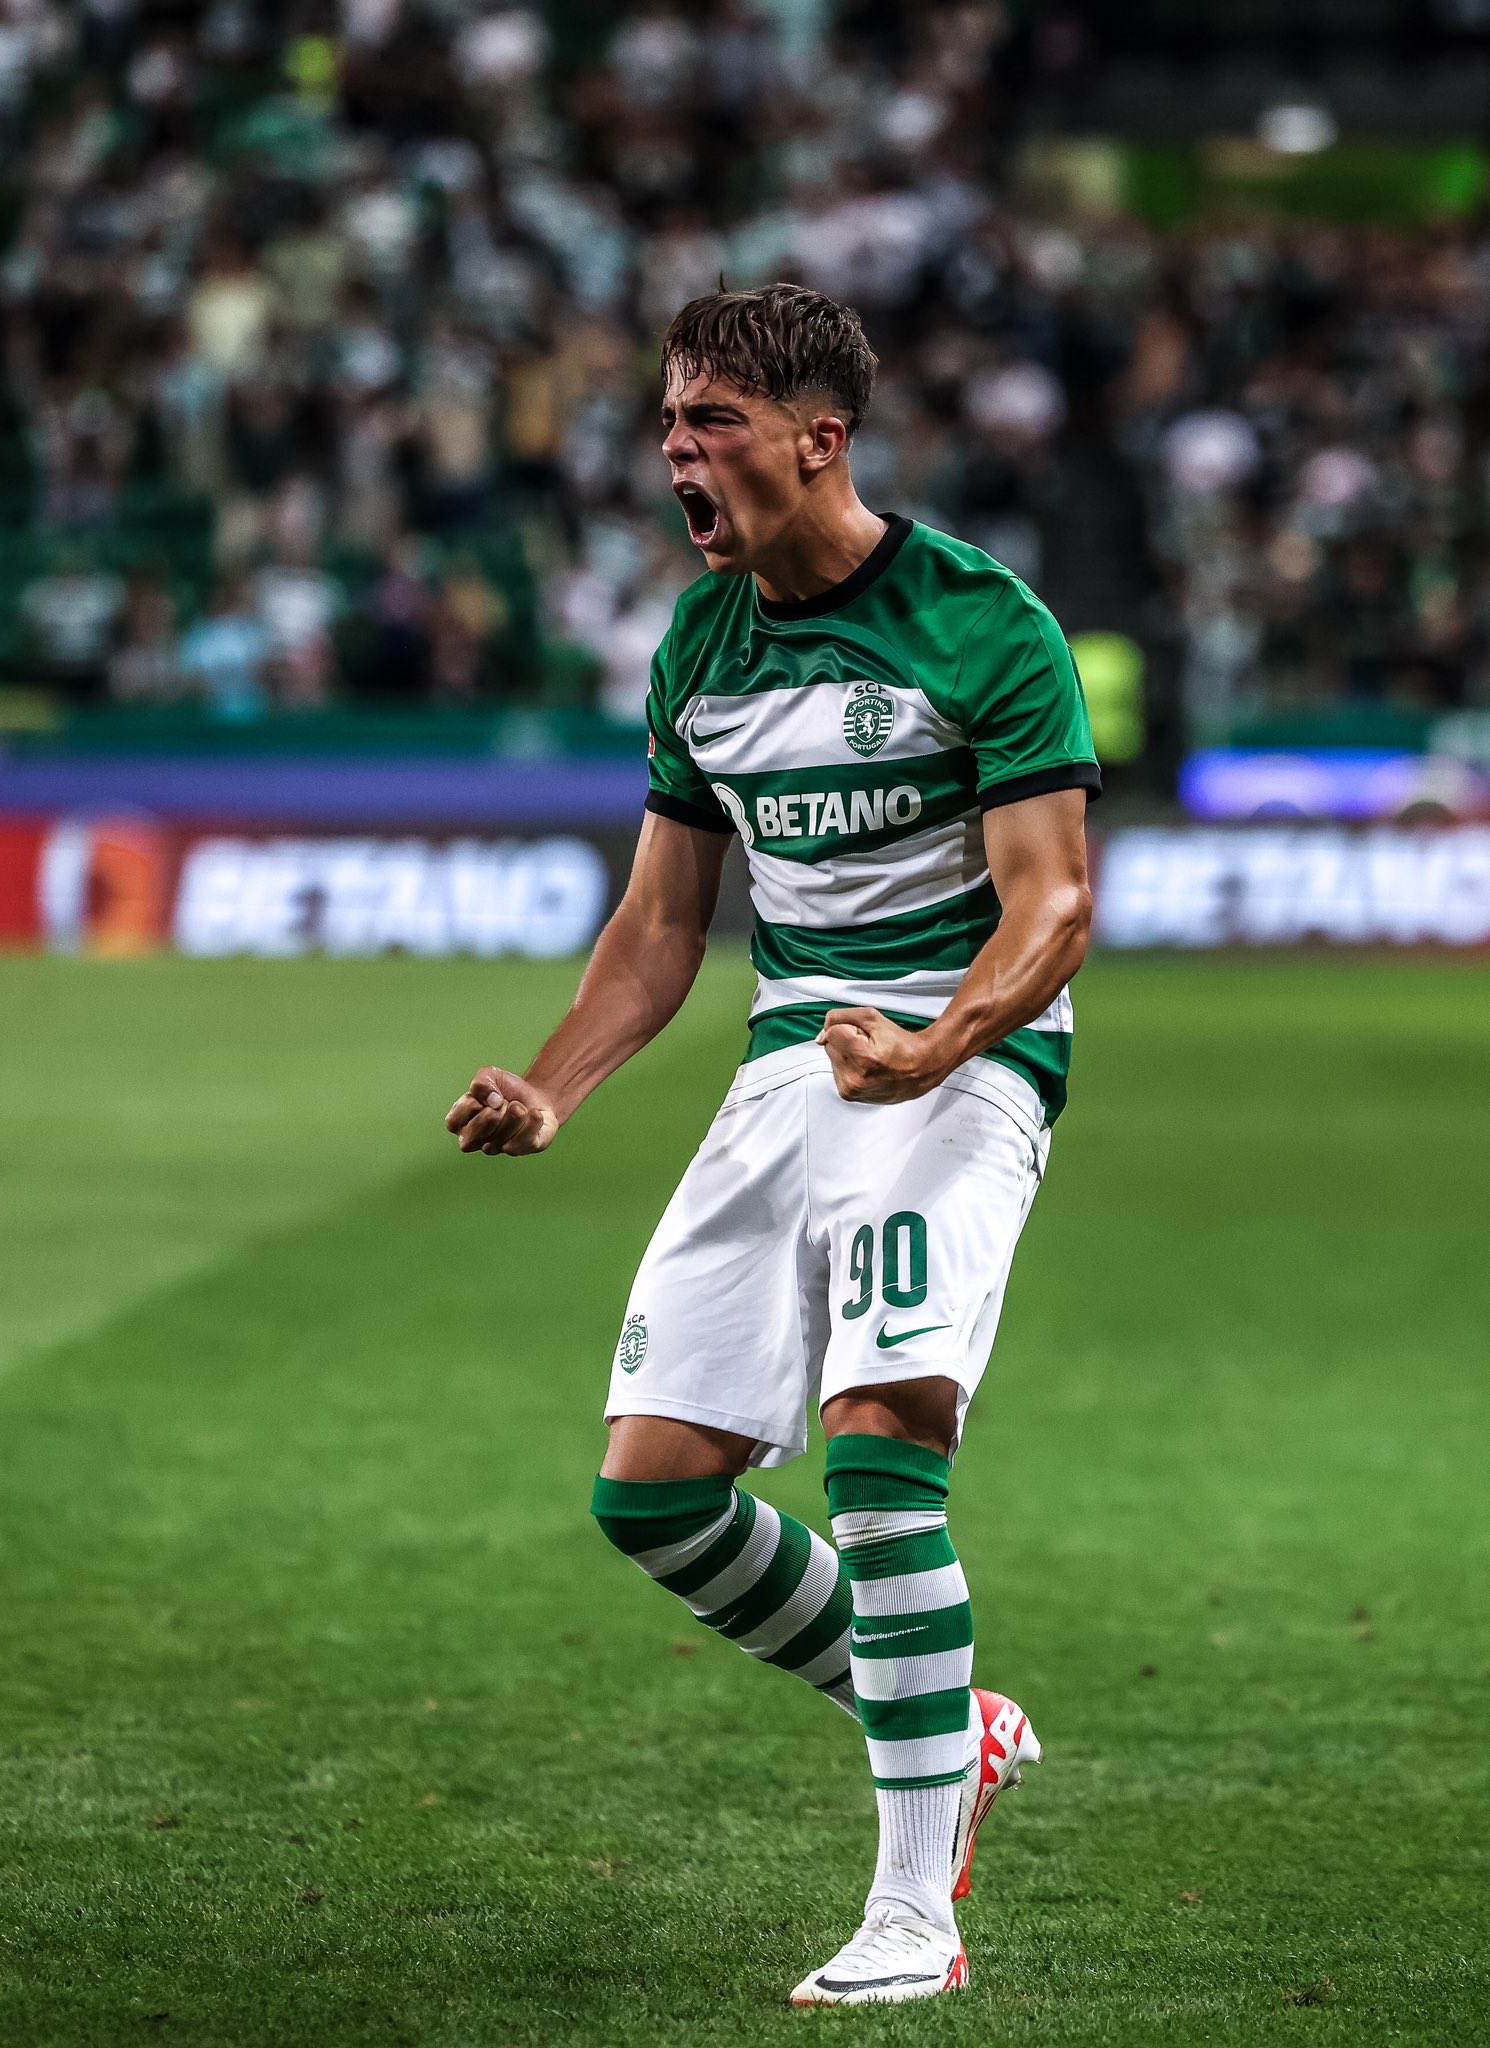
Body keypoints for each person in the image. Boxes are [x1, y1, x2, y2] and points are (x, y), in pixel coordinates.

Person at [445, 284, 1098, 2007]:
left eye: (712, 419)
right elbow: (663, 925)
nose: (676, 447)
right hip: (791, 1063)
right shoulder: (700, 646)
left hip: (963, 1059)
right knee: (650, 1493)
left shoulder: (980, 623)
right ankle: (945, 1716)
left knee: (877, 1452)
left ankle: (911, 1919)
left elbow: (1055, 903)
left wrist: (943, 1041)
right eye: (669, 421)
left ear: (820, 439)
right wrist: (557, 1086)